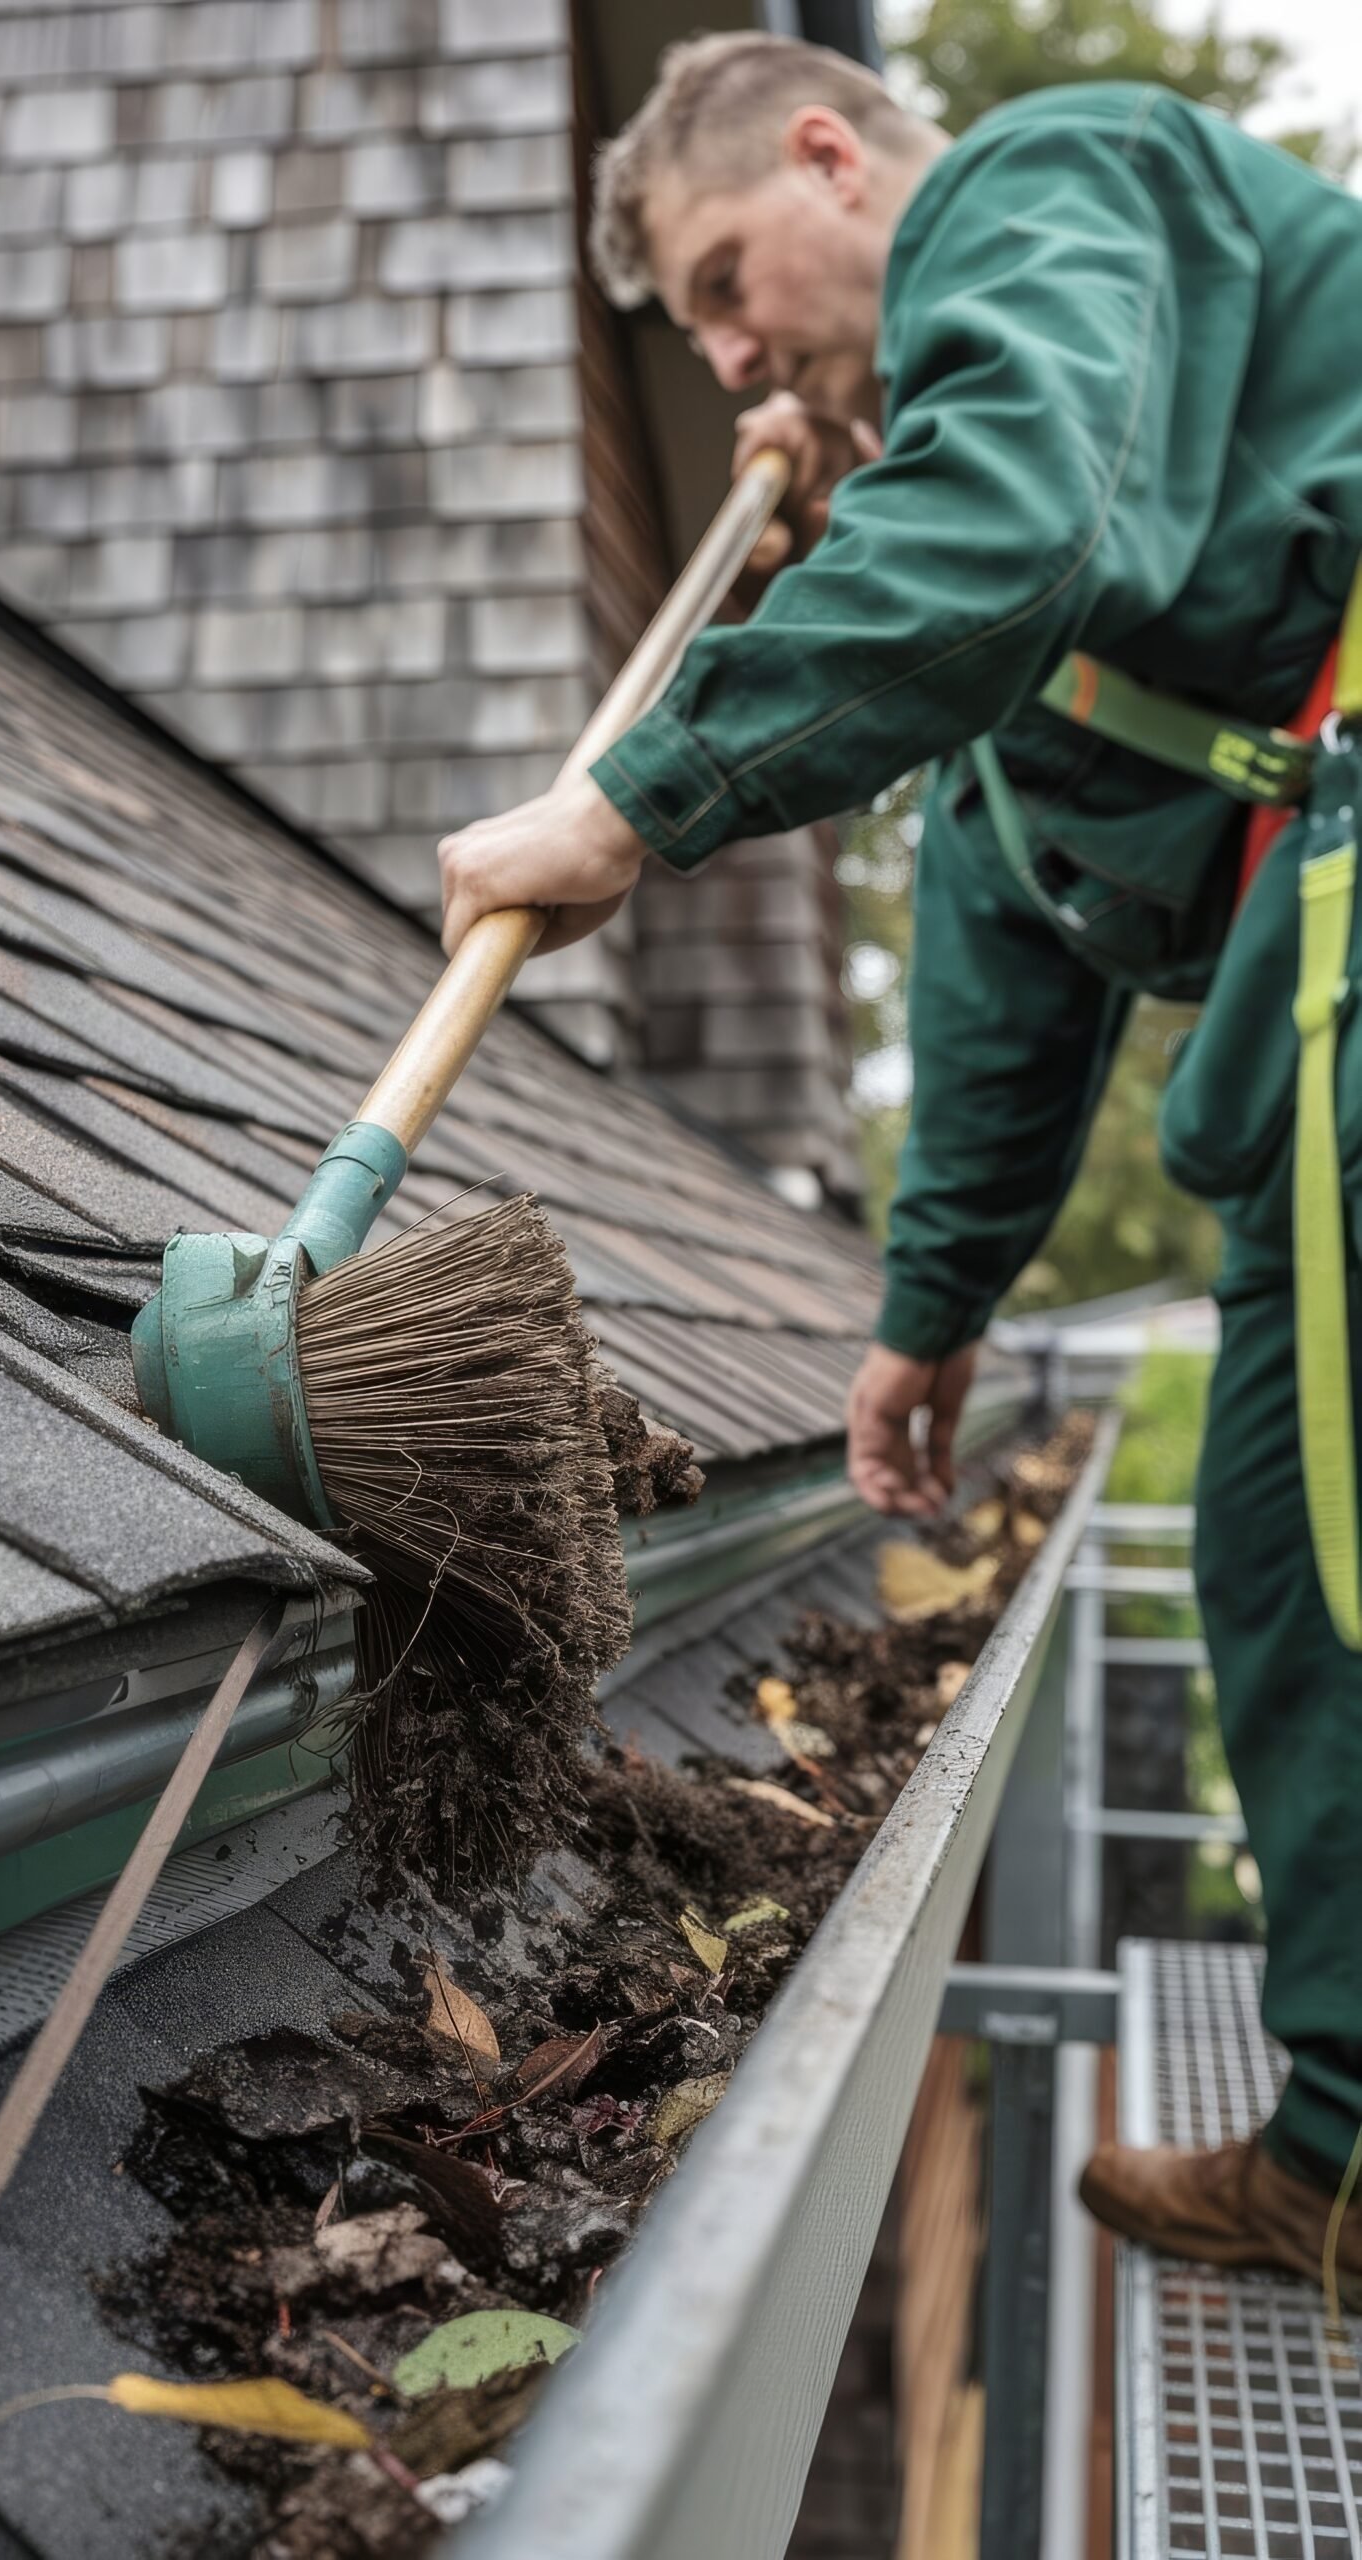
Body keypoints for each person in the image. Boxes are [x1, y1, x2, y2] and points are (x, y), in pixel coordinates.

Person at [436, 30, 1362, 2288]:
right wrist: (924, 1319)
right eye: (697, 337)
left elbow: (1002, 517)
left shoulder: (1045, 186)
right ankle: (1345, 2140)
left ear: (834, 158)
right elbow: (1003, 973)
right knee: (1278, 1553)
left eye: (724, 287)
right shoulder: (1021, 633)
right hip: (1309, 1043)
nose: (731, 360)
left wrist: (635, 796)